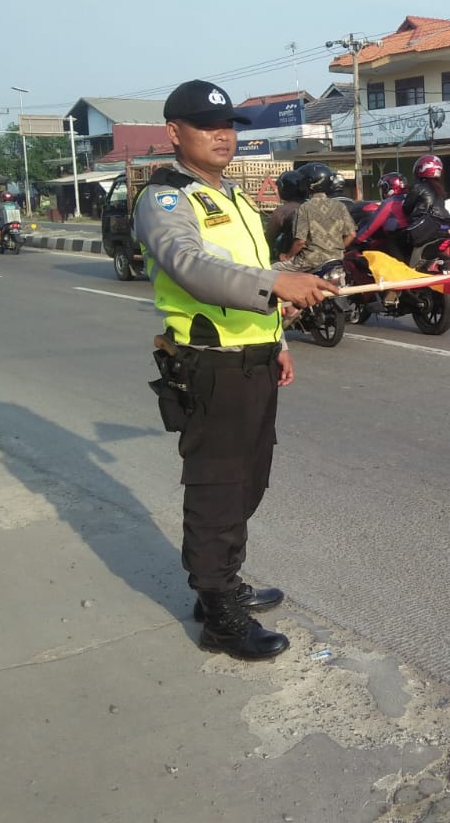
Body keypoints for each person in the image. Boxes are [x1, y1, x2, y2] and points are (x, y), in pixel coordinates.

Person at [133, 79, 337, 661]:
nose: (223, 136)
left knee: (250, 480)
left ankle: (221, 581)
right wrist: (276, 282)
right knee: (217, 488)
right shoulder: (168, 199)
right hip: (210, 368)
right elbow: (191, 268)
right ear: (175, 133)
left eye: (229, 127)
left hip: (254, 362)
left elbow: (250, 275)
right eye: (207, 126)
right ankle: (218, 610)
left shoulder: (235, 199)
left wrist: (279, 337)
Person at [273, 163, 356, 272]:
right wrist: (336, 251)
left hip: (308, 262)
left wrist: (287, 256)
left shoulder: (304, 208)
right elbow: (351, 234)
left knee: (271, 269)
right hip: (336, 260)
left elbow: (300, 242)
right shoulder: (340, 206)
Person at [401, 155, 450, 265]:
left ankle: (406, 269)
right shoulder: (439, 189)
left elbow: (406, 208)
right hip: (445, 227)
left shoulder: (418, 187)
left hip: (427, 227)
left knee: (397, 239)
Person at [353, 172, 409, 255]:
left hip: (398, 239)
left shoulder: (389, 203)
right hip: (411, 237)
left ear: (391, 187)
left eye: (384, 187)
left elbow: (372, 225)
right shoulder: (409, 197)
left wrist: (356, 240)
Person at [263, 170, 307, 263]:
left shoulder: (282, 211)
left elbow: (268, 239)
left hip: (294, 260)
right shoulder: (312, 206)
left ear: (283, 189)